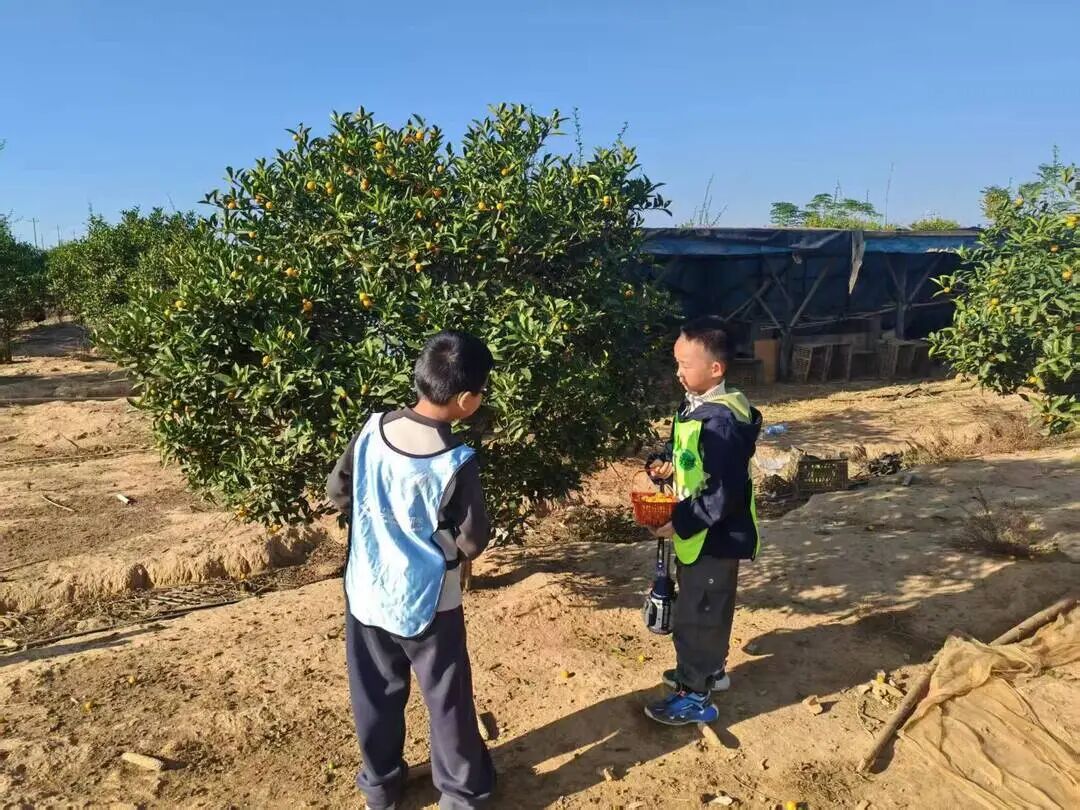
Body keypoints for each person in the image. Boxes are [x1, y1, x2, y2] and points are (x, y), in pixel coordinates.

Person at [326, 330, 497, 810]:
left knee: (374, 694)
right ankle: (460, 794)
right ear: (465, 399)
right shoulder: (455, 460)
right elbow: (472, 540)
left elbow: (339, 491)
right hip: (430, 603)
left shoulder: (372, 429)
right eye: (482, 392)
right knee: (446, 698)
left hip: (367, 592)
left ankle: (380, 786)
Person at [643, 315, 762, 725]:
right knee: (701, 607)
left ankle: (696, 695)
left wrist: (681, 522)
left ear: (715, 368)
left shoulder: (721, 423)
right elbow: (683, 452)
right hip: (699, 533)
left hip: (714, 536)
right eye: (676, 363)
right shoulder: (695, 407)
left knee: (700, 614)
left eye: (685, 364)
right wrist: (662, 463)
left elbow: (722, 493)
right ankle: (707, 671)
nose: (677, 372)